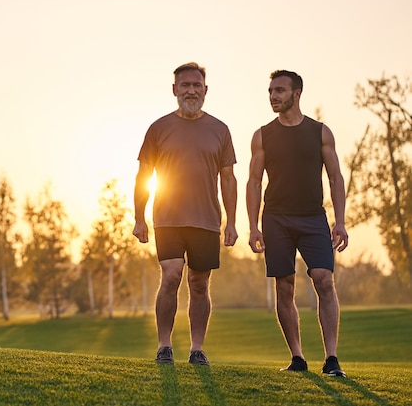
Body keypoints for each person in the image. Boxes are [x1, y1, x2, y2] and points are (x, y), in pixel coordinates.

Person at [133, 62, 238, 366]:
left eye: (196, 85)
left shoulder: (220, 130)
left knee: (200, 284)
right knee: (172, 275)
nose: (190, 90)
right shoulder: (158, 128)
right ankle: (164, 345)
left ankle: (197, 348)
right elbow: (143, 176)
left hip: (206, 220)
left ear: (205, 90)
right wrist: (139, 217)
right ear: (174, 90)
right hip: (168, 218)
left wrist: (232, 222)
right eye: (185, 85)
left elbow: (228, 179)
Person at [246, 70, 349, 377]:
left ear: (296, 93)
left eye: (279, 91)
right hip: (275, 218)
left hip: (313, 217)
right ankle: (297, 358)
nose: (273, 96)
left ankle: (331, 358)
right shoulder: (262, 135)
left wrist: (340, 221)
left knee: (323, 280)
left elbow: (335, 177)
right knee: (284, 286)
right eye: (270, 91)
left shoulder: (320, 132)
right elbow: (253, 181)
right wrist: (253, 226)